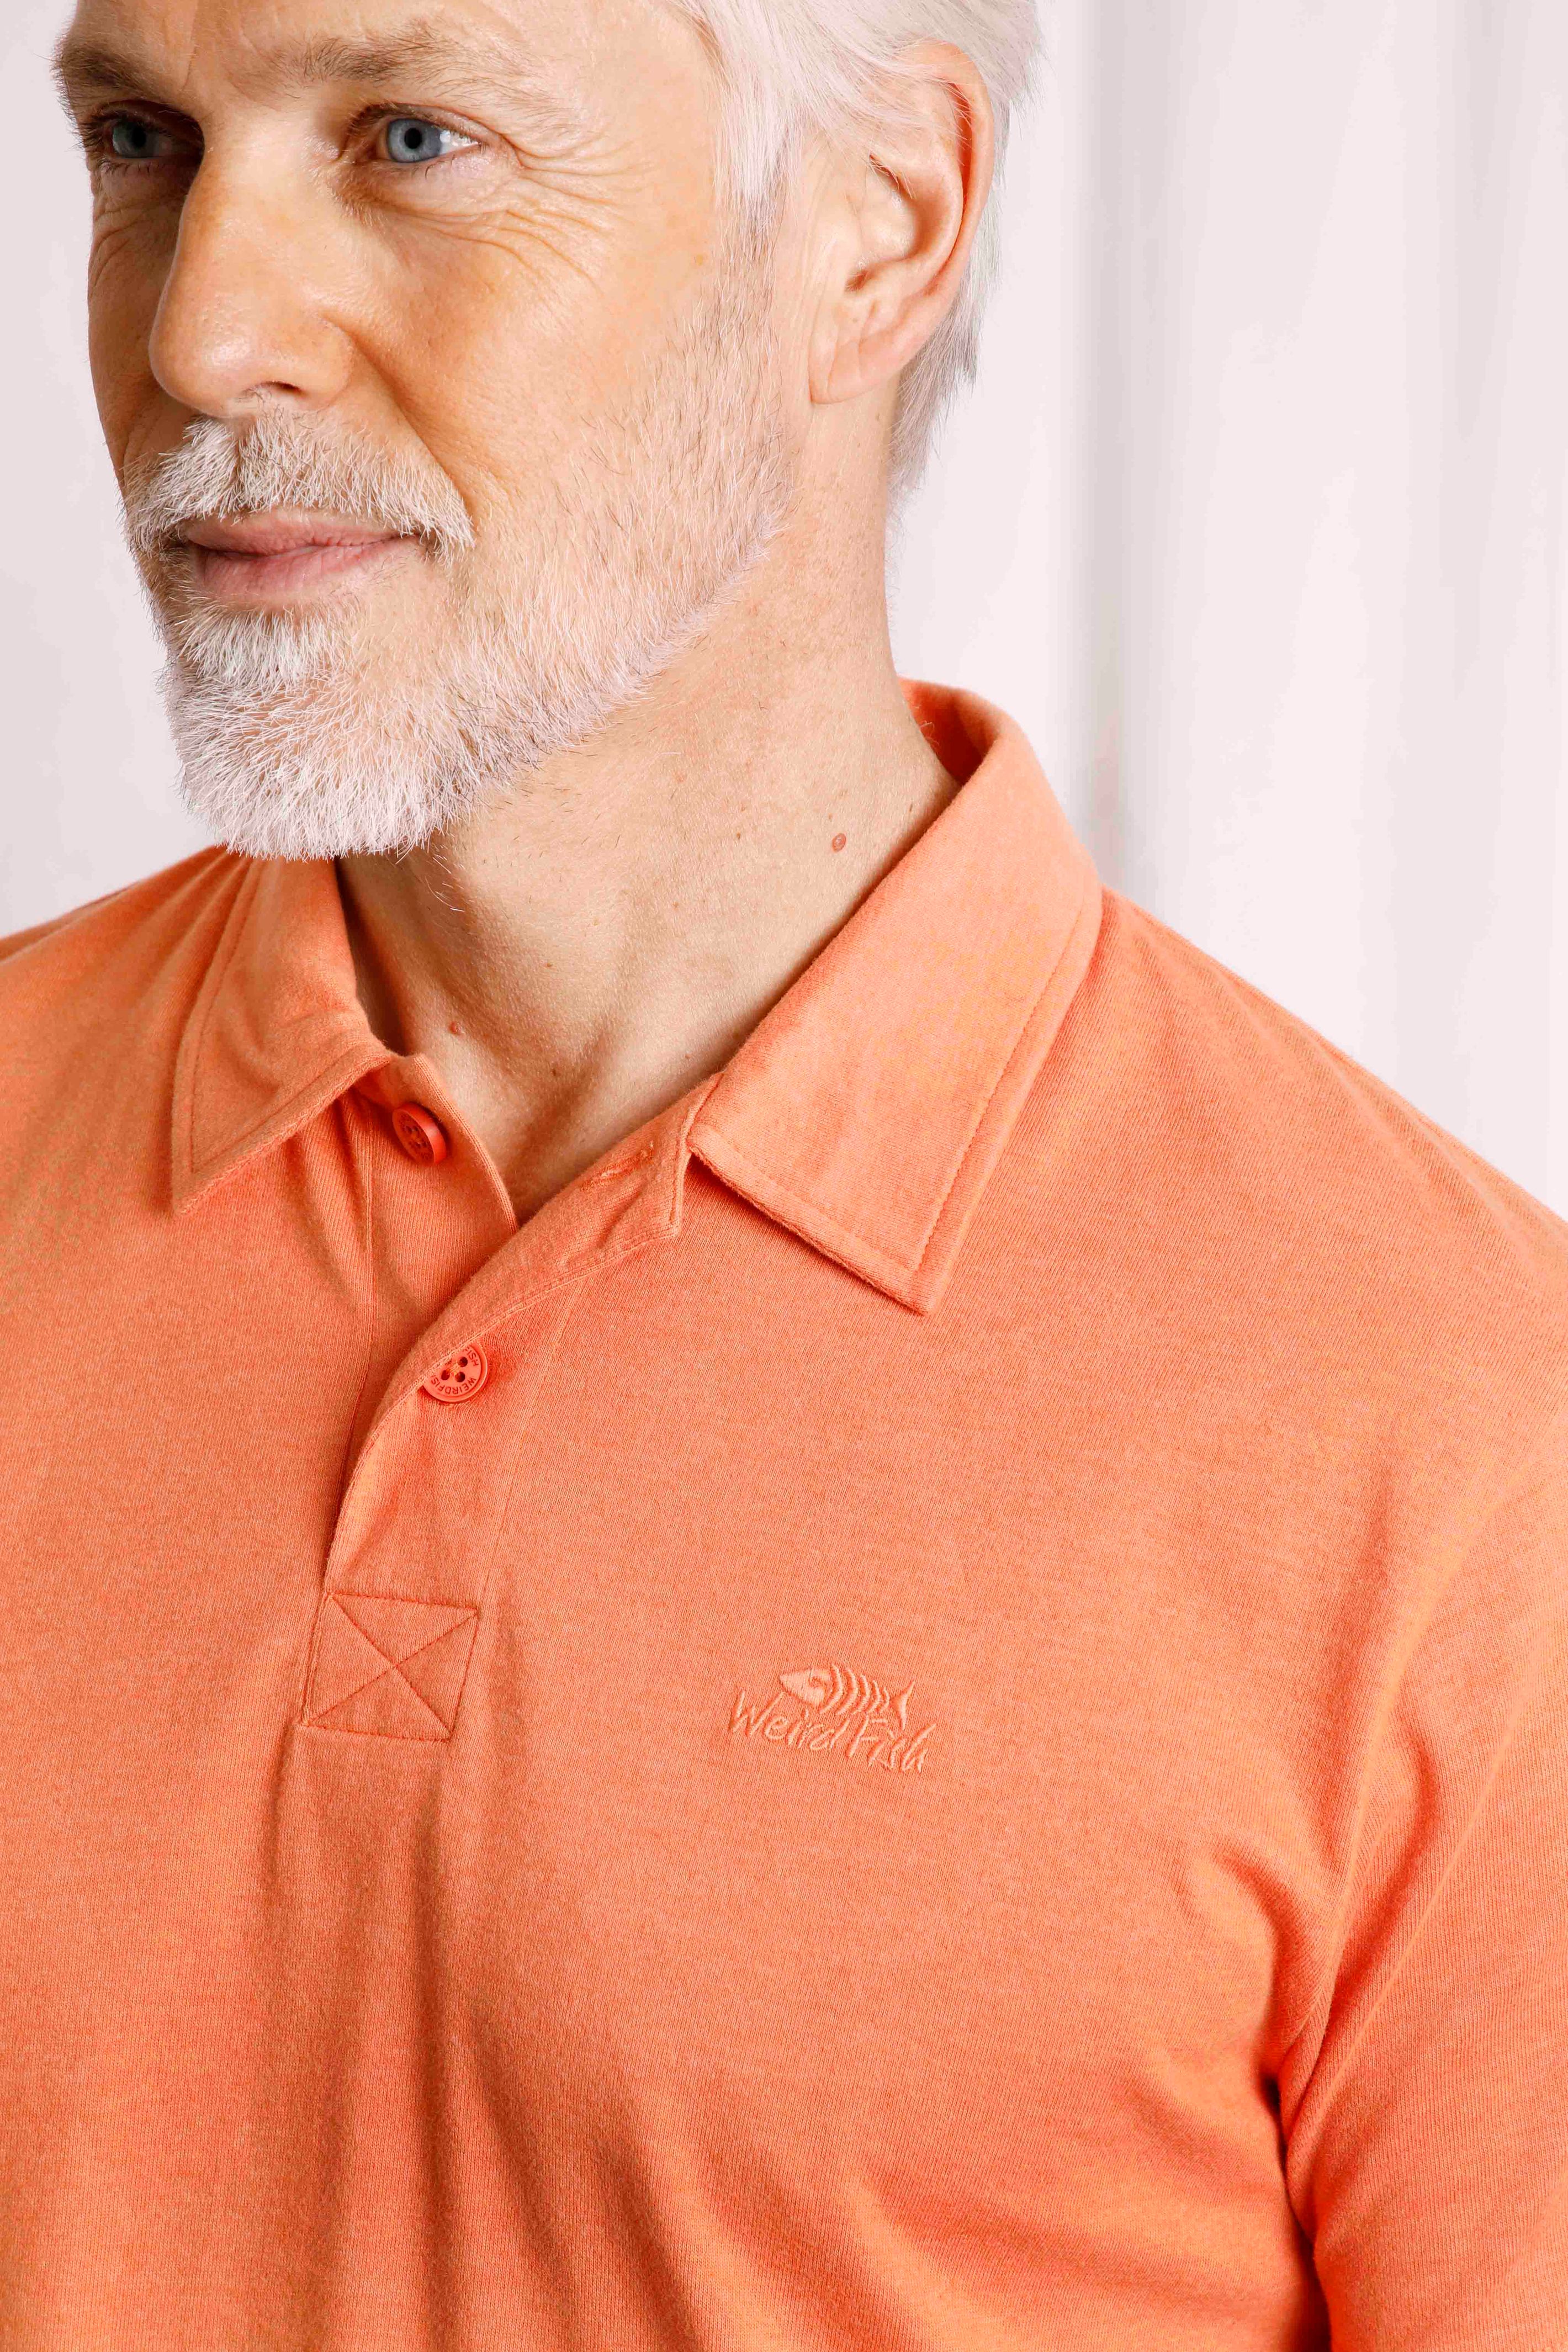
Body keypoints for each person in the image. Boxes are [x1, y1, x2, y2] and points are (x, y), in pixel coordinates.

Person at [3, 0, 1564, 2343]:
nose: (201, 331)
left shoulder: (1467, 1441)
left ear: (878, 227)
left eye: (409, 137)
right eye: (143, 139)